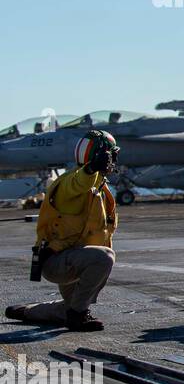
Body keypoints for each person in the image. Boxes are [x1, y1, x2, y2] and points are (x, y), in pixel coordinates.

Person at [5, 130, 119, 331]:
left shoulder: (102, 190)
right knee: (104, 258)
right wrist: (91, 169)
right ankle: (78, 316)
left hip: (74, 259)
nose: (113, 160)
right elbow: (78, 183)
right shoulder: (70, 182)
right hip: (56, 260)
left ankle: (26, 311)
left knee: (68, 306)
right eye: (111, 155)